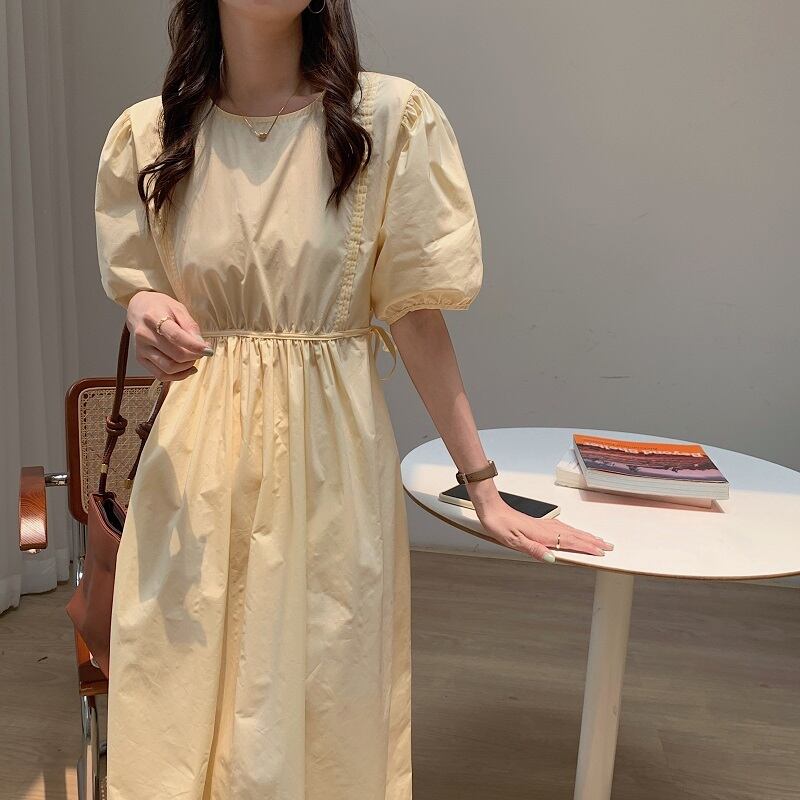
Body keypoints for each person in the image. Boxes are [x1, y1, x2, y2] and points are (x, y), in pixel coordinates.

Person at [94, 1, 614, 797]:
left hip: (327, 466)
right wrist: (142, 307)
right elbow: (143, 284)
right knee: (180, 697)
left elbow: (415, 316)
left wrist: (484, 488)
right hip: (194, 465)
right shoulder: (151, 135)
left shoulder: (386, 121)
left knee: (321, 693)